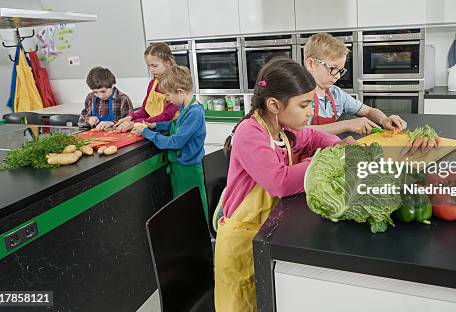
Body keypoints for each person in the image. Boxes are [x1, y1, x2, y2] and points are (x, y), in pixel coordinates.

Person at [214, 58, 352, 312]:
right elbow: (279, 182)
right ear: (275, 105)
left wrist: (335, 144)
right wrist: (323, 161)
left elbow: (313, 136)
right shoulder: (250, 133)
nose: (311, 111)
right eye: (304, 105)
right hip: (242, 242)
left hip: (266, 231)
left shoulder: (282, 129)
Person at [132, 66, 207, 215]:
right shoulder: (186, 108)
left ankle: (201, 235)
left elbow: (175, 142)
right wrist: (155, 125)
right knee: (182, 206)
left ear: (180, 92)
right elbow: (176, 124)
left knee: (193, 208)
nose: (167, 99)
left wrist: (147, 132)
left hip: (189, 170)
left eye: (168, 95)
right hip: (179, 167)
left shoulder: (195, 113)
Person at [303, 32, 408, 135]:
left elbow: (368, 111)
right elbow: (299, 132)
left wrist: (384, 120)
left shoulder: (336, 94)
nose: (338, 76)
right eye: (333, 68)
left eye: (340, 70)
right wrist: (346, 125)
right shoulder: (296, 96)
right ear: (311, 64)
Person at [115, 43, 179, 132]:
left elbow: (166, 116)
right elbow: (145, 111)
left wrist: (136, 123)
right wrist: (130, 117)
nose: (151, 70)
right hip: (152, 128)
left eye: (154, 66)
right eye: (149, 66)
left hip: (169, 131)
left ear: (167, 64)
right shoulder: (152, 84)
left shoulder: (175, 84)